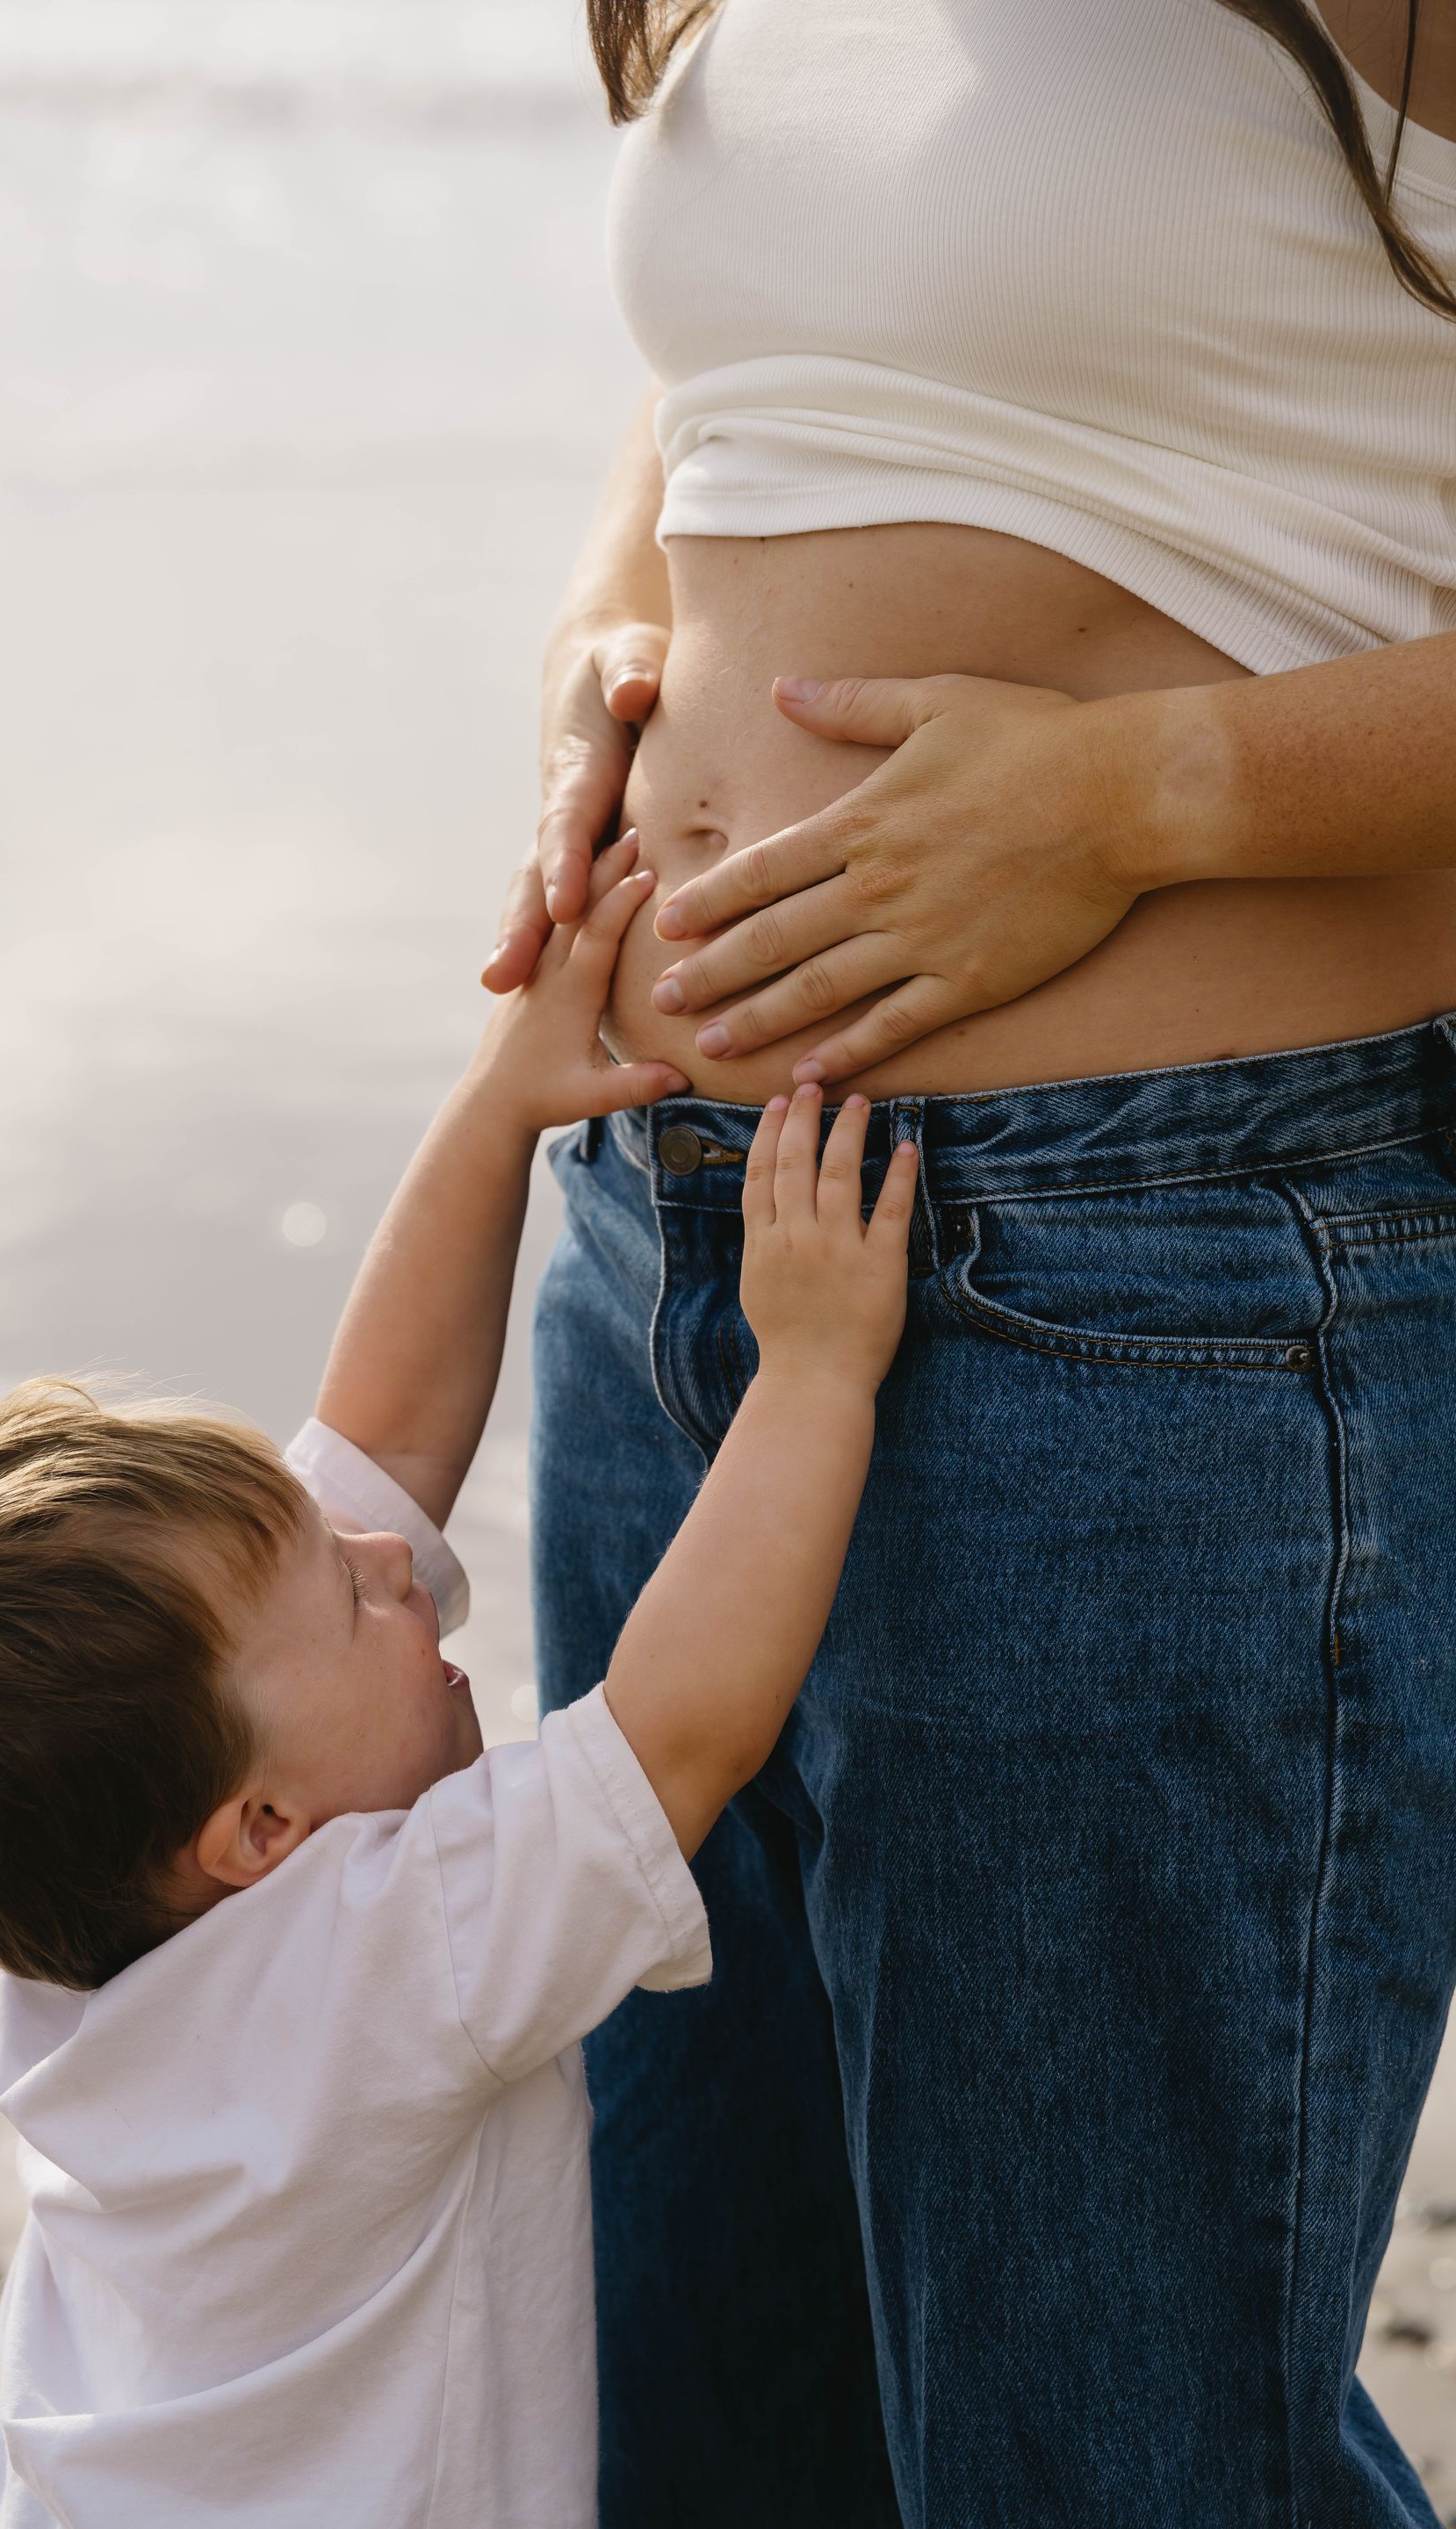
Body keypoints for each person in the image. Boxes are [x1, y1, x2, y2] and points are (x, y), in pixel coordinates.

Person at [484, 3, 1456, 2522]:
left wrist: (1157, 788)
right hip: (661, 1248)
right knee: (705, 2399)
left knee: (1096, 2454)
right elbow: (746, 374)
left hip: (1154, 1301)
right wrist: (612, 649)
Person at [0, 844, 919, 2529]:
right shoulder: (388, 1961)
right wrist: (816, 1365)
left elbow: (380, 1440)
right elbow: (681, 1726)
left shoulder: (97, 1937)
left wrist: (497, 1104)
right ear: (256, 1827)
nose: (396, 1560)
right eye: (348, 1594)